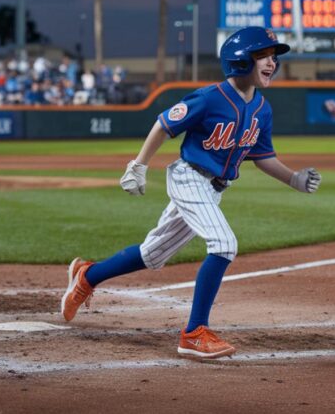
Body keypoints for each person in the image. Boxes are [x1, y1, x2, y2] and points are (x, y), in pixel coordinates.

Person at [59, 26, 321, 359]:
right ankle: (195, 332)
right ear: (240, 60)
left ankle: (87, 275)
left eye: (273, 57)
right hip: (189, 178)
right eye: (262, 56)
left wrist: (294, 179)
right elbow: (164, 124)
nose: (271, 63)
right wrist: (138, 165)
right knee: (224, 244)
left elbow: (262, 156)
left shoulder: (262, 109)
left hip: (214, 189)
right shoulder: (209, 97)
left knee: (153, 255)